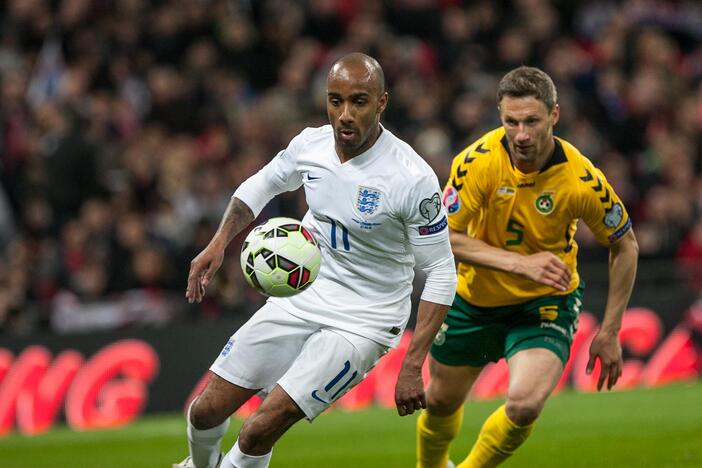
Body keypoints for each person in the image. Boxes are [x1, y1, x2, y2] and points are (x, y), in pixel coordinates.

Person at [173, 53, 457, 468]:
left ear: (382, 103)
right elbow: (262, 184)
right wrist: (219, 243)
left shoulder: (411, 178)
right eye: (335, 100)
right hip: (304, 295)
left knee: (258, 429)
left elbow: (441, 271)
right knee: (204, 411)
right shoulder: (311, 145)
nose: (344, 114)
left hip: (366, 319)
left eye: (359, 101)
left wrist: (413, 364)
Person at [416, 66, 639, 468]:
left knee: (524, 405)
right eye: (511, 122)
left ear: (554, 115)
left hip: (543, 304)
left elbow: (625, 245)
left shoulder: (581, 179)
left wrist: (610, 330)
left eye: (532, 121)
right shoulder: (477, 162)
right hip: (474, 299)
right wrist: (521, 264)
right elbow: (443, 237)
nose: (520, 134)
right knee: (439, 402)